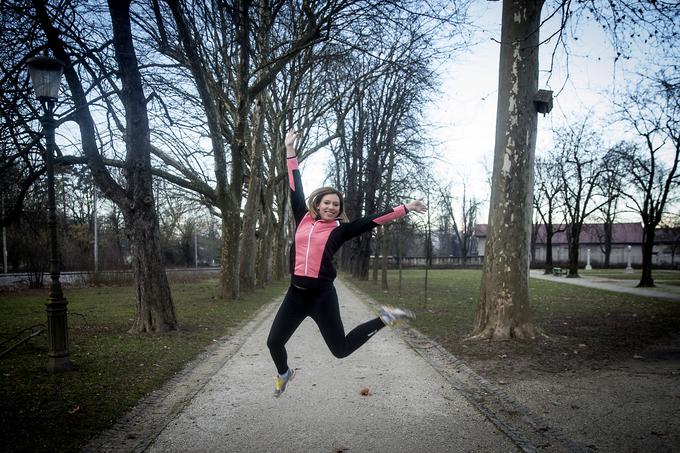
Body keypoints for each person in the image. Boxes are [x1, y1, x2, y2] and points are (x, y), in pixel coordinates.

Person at [266, 129, 428, 397]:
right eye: (327, 203)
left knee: (340, 350)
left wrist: (406, 208)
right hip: (295, 295)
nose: (331, 207)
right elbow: (295, 182)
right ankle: (284, 374)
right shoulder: (302, 218)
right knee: (274, 343)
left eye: (336, 205)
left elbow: (372, 220)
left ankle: (386, 318)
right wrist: (289, 149)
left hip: (321, 297)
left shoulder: (340, 230)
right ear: (317, 204)